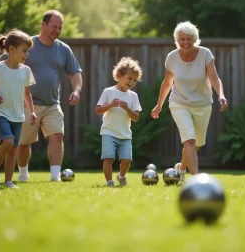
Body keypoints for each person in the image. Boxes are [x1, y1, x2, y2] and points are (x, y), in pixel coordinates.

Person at [0, 10, 83, 182]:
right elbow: (2, 64)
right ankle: (23, 174)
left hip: (52, 103)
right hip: (27, 103)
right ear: (43, 25)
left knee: (57, 136)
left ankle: (55, 176)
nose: (57, 30)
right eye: (54, 26)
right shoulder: (28, 44)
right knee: (23, 143)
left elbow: (75, 73)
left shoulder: (63, 49)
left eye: (60, 27)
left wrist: (76, 90)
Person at [151, 21, 228, 182]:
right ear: (177, 40)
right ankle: (195, 180)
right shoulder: (172, 57)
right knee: (190, 140)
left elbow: (214, 78)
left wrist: (220, 94)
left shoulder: (205, 54)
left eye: (189, 39)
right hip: (179, 103)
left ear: (195, 39)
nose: (185, 42)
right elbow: (167, 83)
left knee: (197, 143)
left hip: (203, 104)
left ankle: (181, 168)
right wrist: (159, 105)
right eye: (182, 39)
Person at [0, 29, 37, 189]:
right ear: (11, 49)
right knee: (8, 141)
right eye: (24, 50)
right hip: (1, 112)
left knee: (13, 149)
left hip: (17, 114)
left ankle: (8, 181)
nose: (27, 54)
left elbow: (27, 94)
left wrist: (32, 111)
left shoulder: (26, 71)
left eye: (28, 51)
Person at [95, 57, 143, 187]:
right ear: (120, 75)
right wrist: (110, 105)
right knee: (108, 158)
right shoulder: (108, 92)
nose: (132, 82)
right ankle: (109, 182)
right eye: (129, 78)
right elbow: (98, 110)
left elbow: (136, 118)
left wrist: (127, 108)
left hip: (125, 134)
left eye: (134, 80)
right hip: (109, 131)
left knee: (126, 161)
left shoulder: (133, 96)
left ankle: (121, 176)